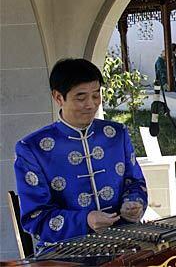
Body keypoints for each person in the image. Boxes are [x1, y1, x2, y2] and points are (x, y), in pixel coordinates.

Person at [14, 58, 148, 247]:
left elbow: (135, 183)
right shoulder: (32, 149)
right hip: (66, 252)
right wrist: (85, 220)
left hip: (124, 243)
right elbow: (35, 217)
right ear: (58, 97)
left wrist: (133, 203)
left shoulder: (117, 134)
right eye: (81, 97)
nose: (91, 105)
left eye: (96, 95)